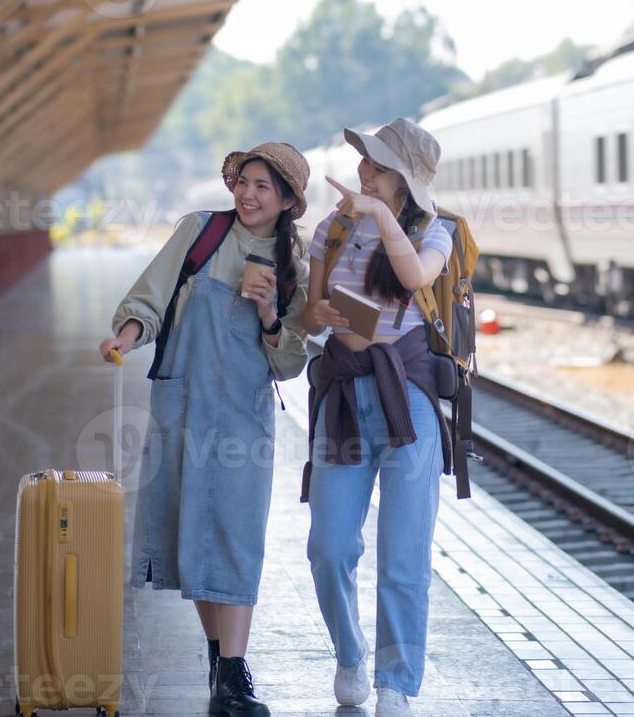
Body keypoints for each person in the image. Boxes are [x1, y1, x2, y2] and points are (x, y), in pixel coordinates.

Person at [99, 142, 310, 717]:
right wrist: (127, 334)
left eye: (265, 186)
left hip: (243, 415)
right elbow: (152, 294)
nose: (249, 194)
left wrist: (269, 315)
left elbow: (291, 362)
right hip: (185, 405)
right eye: (245, 181)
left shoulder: (297, 263)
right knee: (190, 529)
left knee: (237, 533)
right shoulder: (201, 231)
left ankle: (235, 670)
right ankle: (220, 659)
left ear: (288, 200)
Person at [302, 118, 454, 717]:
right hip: (343, 398)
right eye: (364, 159)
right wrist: (322, 315)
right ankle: (350, 654)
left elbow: (415, 278)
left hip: (408, 399)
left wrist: (381, 216)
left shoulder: (435, 231)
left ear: (403, 181)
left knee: (403, 555)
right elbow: (309, 317)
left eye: (376, 164)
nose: (363, 168)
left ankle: (396, 682)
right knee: (329, 547)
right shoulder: (333, 229)